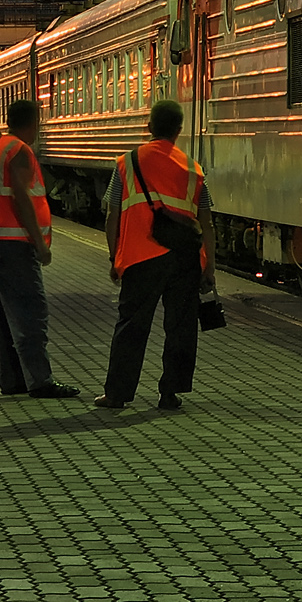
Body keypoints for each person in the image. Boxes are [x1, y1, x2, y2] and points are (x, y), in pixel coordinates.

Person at [96, 99, 215, 412]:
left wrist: (114, 257)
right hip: (185, 258)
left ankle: (117, 394)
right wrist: (209, 268)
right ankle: (169, 393)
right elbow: (206, 222)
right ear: (179, 130)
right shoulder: (193, 169)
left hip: (140, 256)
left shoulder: (127, 162)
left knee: (132, 326)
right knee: (180, 327)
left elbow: (112, 214)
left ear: (148, 127)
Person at [0, 100, 78, 398]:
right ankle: (40, 380)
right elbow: (21, 198)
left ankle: (12, 380)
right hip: (15, 244)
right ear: (33, 122)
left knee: (6, 317)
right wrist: (40, 243)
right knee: (30, 314)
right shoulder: (20, 150)